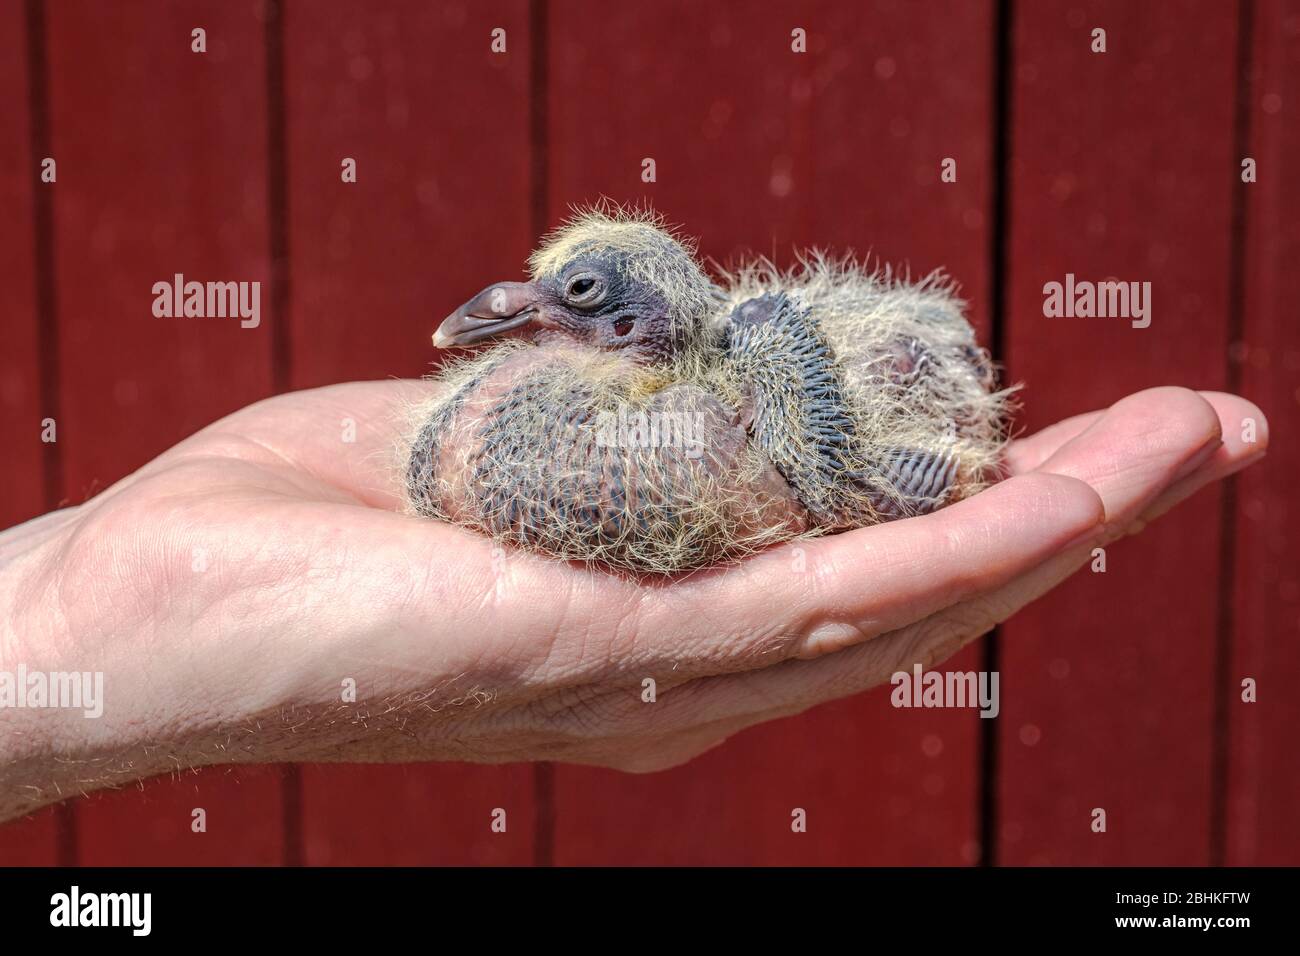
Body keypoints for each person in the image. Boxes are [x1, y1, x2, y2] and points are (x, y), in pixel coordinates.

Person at [0, 381, 1267, 823]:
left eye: (583, 306)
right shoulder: (526, 415)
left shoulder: (744, 389)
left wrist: (60, 619)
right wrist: (61, 623)